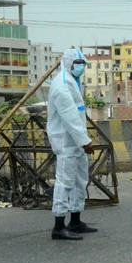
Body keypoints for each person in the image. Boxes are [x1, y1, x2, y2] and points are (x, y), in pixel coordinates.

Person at [46, 48, 97, 240]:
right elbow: (69, 117)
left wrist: (82, 140)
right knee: (65, 181)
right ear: (68, 64)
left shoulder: (73, 81)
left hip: (76, 140)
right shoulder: (61, 85)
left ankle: (75, 220)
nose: (81, 68)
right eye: (78, 65)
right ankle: (59, 225)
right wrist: (85, 141)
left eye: (83, 65)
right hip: (66, 140)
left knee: (79, 180)